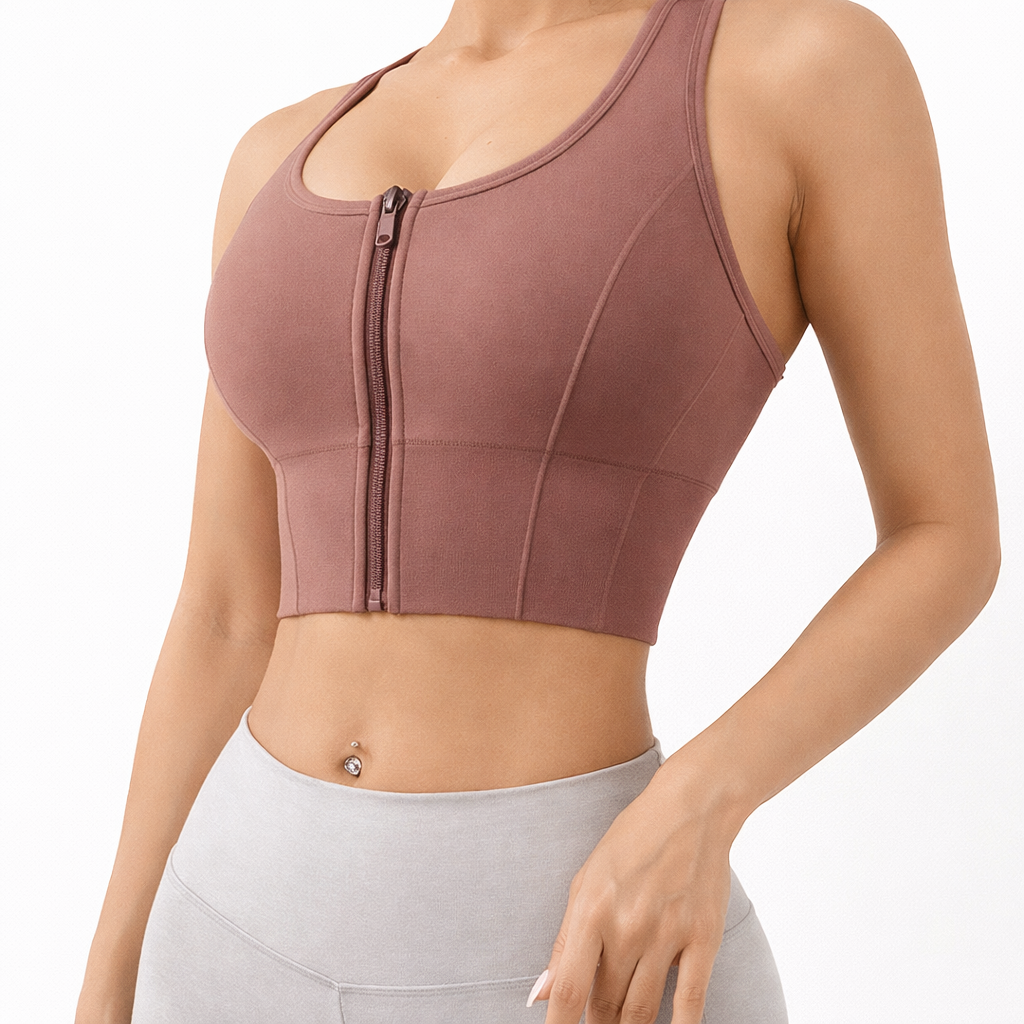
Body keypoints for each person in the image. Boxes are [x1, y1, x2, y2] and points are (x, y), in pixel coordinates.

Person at [75, 0, 999, 1021]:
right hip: (222, 936)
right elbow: (225, 610)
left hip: (573, 950)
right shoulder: (275, 154)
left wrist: (701, 798)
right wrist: (110, 972)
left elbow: (945, 534)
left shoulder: (795, 69)